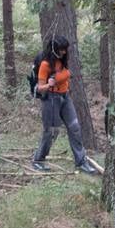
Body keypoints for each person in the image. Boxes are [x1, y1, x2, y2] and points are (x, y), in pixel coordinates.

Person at [31, 36, 100, 175]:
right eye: (62, 49)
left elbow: (66, 74)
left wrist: (62, 77)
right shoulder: (45, 64)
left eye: (65, 49)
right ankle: (38, 160)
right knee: (51, 131)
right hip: (51, 99)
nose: (64, 52)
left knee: (74, 127)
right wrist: (49, 84)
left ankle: (81, 162)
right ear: (55, 49)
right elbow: (39, 88)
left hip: (65, 97)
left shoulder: (62, 61)